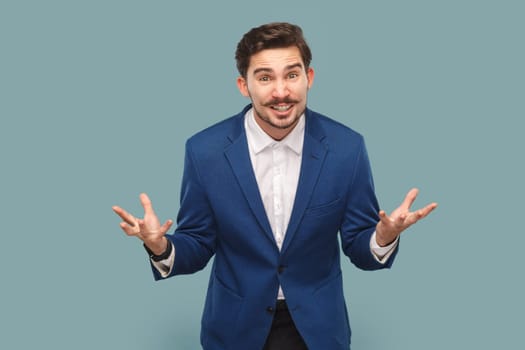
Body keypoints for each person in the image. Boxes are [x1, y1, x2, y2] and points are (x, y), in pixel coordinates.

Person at [112, 22, 437, 350]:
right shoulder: (204, 151)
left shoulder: (346, 149)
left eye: (292, 75)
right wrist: (159, 246)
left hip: (318, 330)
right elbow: (197, 244)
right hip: (235, 329)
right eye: (265, 77)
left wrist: (383, 237)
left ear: (309, 79)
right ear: (244, 85)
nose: (281, 92)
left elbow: (357, 245)